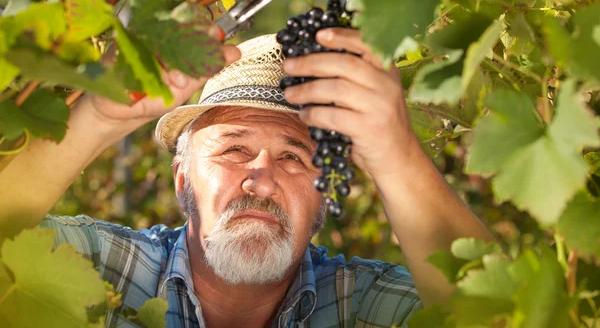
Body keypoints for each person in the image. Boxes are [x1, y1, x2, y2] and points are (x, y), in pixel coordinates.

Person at [0, 28, 494, 328]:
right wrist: (96, 120)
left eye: (294, 158)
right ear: (181, 178)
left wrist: (396, 155)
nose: (261, 179)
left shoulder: (364, 308)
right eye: (235, 149)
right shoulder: (97, 273)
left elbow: (504, 316)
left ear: (326, 196)